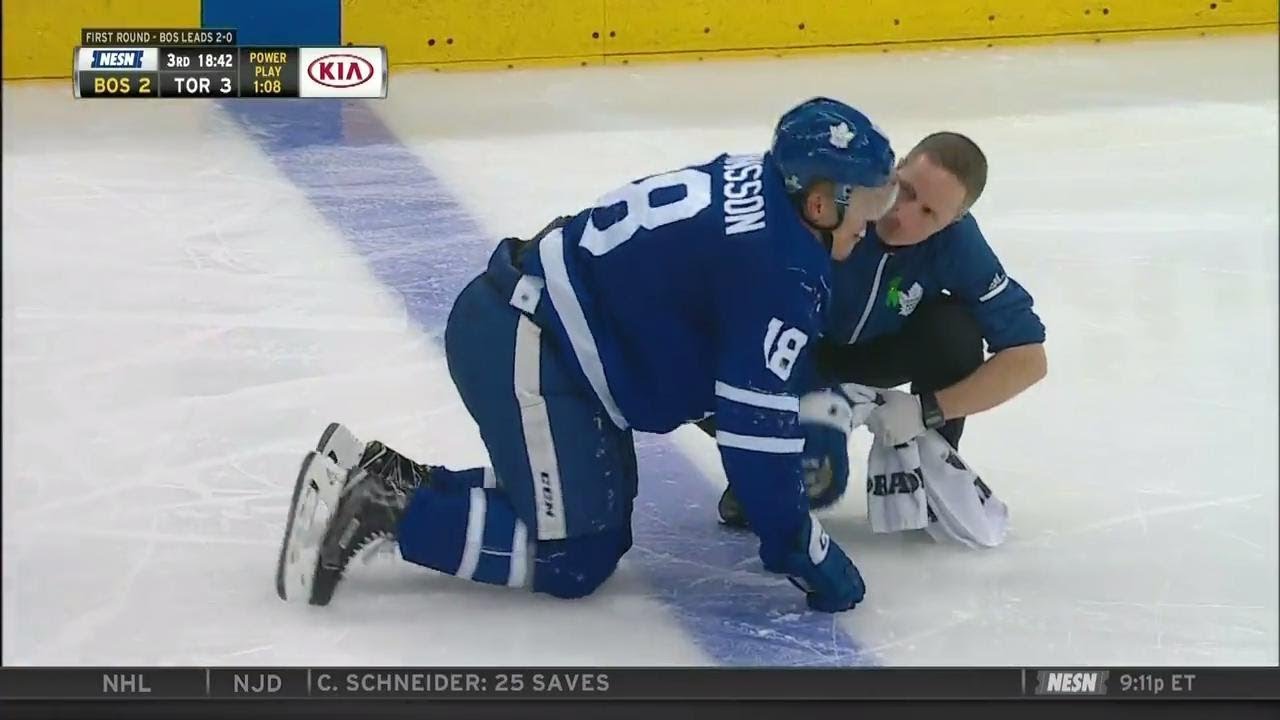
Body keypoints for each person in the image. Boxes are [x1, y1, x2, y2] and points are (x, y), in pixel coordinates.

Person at [276, 97, 899, 613]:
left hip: (535, 328)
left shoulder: (759, 186)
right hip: (530, 345)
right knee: (575, 555)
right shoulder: (784, 266)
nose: (868, 226)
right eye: (863, 207)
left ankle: (389, 476)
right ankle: (383, 506)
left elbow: (715, 354)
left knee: (595, 509)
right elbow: (751, 427)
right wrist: (801, 547)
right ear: (820, 200)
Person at [717, 131, 1047, 526]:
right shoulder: (836, 195)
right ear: (897, 166)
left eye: (929, 213)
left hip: (876, 353)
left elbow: (1029, 357)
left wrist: (929, 411)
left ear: (954, 220)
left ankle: (930, 474)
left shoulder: (958, 244)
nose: (902, 216)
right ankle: (764, 468)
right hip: (793, 349)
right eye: (906, 191)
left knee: (953, 328)